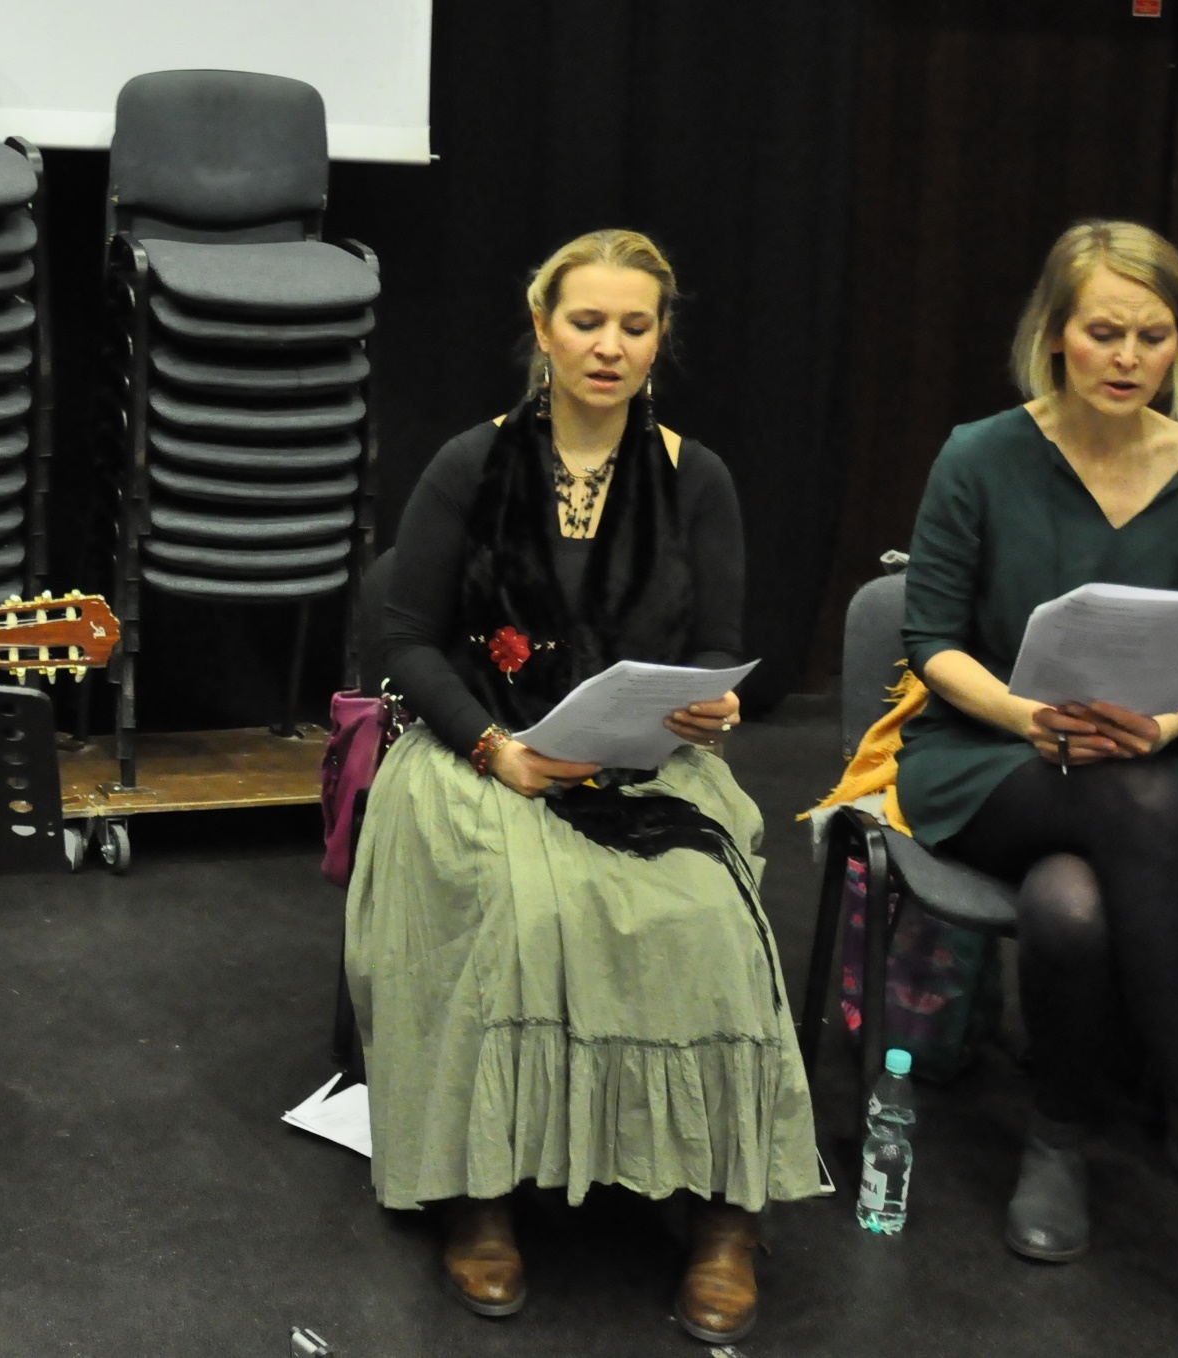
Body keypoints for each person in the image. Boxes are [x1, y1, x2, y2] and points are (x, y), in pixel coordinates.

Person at [349, 228, 817, 1344]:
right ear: (544, 328)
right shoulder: (469, 462)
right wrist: (494, 749)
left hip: (641, 761)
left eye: (634, 326)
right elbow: (406, 638)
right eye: (587, 321)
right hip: (481, 748)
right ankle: (481, 1191)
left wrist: (713, 704)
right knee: (516, 908)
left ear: (659, 341)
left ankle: (726, 1214)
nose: (609, 346)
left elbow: (718, 648)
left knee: (709, 919)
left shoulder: (697, 477)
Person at [896, 220, 1178, 1263]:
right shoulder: (979, 456)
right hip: (989, 758)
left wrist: (1166, 722)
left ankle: (1055, 1137)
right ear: (1054, 334)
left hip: (1149, 756)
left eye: (1153, 336)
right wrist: (1027, 717)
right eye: (1104, 333)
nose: (1129, 358)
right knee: (1128, 803)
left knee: (1071, 900)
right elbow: (929, 639)